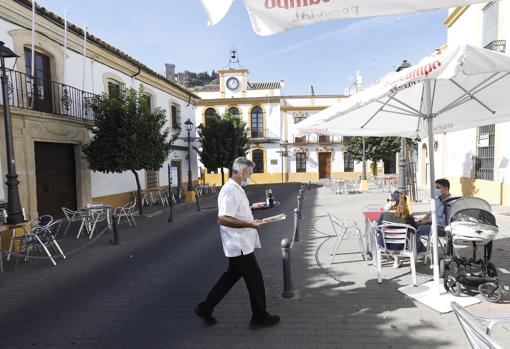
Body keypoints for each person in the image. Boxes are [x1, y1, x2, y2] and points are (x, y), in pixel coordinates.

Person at [194, 157, 280, 329]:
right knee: (255, 280)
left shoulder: (236, 188)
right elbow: (223, 218)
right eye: (250, 172)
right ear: (242, 171)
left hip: (240, 244)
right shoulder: (229, 190)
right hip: (238, 244)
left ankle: (205, 307)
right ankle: (259, 317)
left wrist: (254, 208)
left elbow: (236, 212)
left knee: (231, 276)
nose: (250, 175)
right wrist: (251, 223)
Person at [377, 191, 426, 268]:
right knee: (414, 235)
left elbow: (378, 229)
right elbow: (416, 229)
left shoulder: (384, 214)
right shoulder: (407, 217)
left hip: (385, 244)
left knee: (384, 236)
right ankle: (420, 252)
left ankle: (396, 259)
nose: (389, 201)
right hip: (403, 244)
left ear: (394, 202)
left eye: (390, 200)